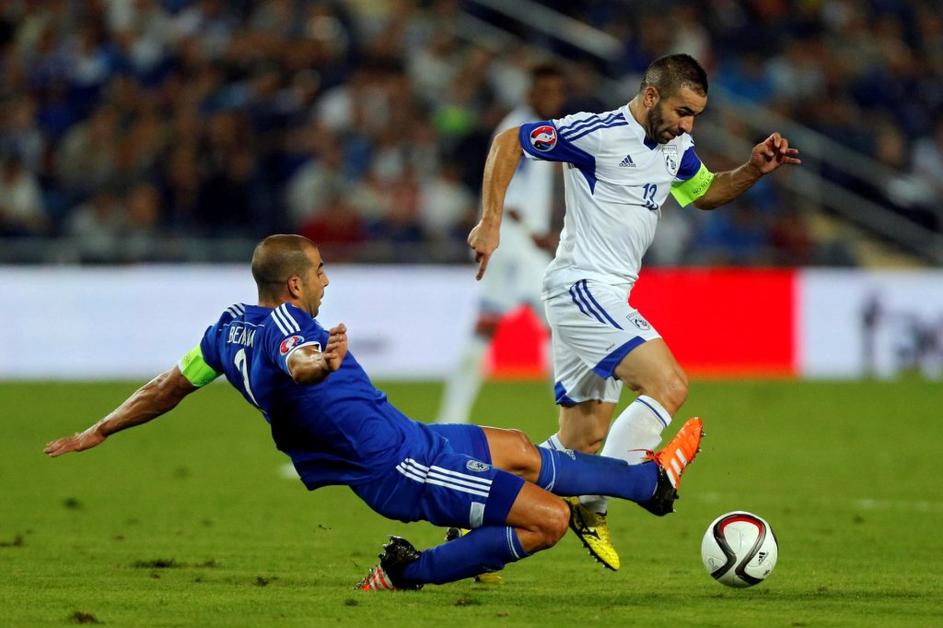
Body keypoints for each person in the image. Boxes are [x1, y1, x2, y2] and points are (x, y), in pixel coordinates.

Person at [44, 234, 704, 590]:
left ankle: (647, 484)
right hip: (397, 466)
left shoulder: (225, 331)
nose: (327, 279)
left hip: (406, 436)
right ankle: (409, 572)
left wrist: (100, 428)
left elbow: (166, 385)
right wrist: (318, 364)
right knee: (549, 519)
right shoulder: (287, 326)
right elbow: (297, 361)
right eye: (320, 270)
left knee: (520, 449)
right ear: (295, 284)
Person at [467, 54, 800, 571]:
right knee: (669, 385)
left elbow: (704, 192)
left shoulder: (675, 148)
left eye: (695, 116)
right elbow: (510, 141)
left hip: (608, 297)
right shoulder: (596, 133)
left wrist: (753, 169)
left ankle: (475, 513)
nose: (688, 126)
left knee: (581, 442)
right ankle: (596, 506)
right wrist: (491, 221)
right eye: (682, 112)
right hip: (582, 287)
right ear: (650, 96)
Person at [436, 63, 566, 424]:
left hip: (521, 246)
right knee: (549, 325)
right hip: (513, 245)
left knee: (550, 325)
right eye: (545, 91)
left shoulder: (539, 129)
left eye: (557, 92)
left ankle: (452, 416)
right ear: (530, 93)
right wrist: (535, 230)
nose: (552, 98)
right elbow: (503, 187)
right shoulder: (519, 130)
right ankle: (569, 415)